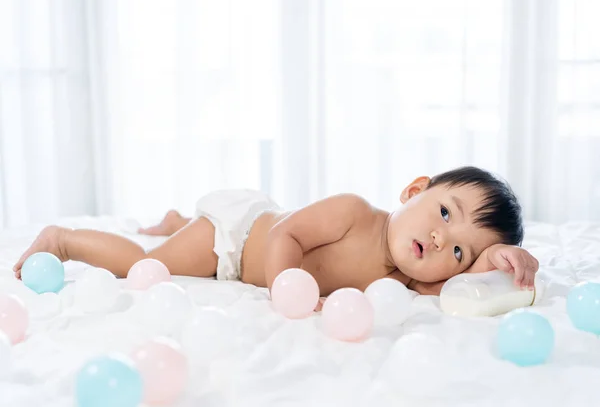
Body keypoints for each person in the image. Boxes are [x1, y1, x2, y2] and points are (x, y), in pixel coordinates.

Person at [13, 166, 538, 302]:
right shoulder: (355, 213)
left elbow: (454, 291)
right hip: (239, 238)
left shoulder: (410, 279)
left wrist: (501, 259)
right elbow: (286, 234)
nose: (443, 241)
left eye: (461, 251)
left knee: (166, 246)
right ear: (414, 190)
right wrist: (286, 286)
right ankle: (65, 239)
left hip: (253, 245)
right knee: (144, 264)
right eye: (445, 213)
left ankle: (175, 219)